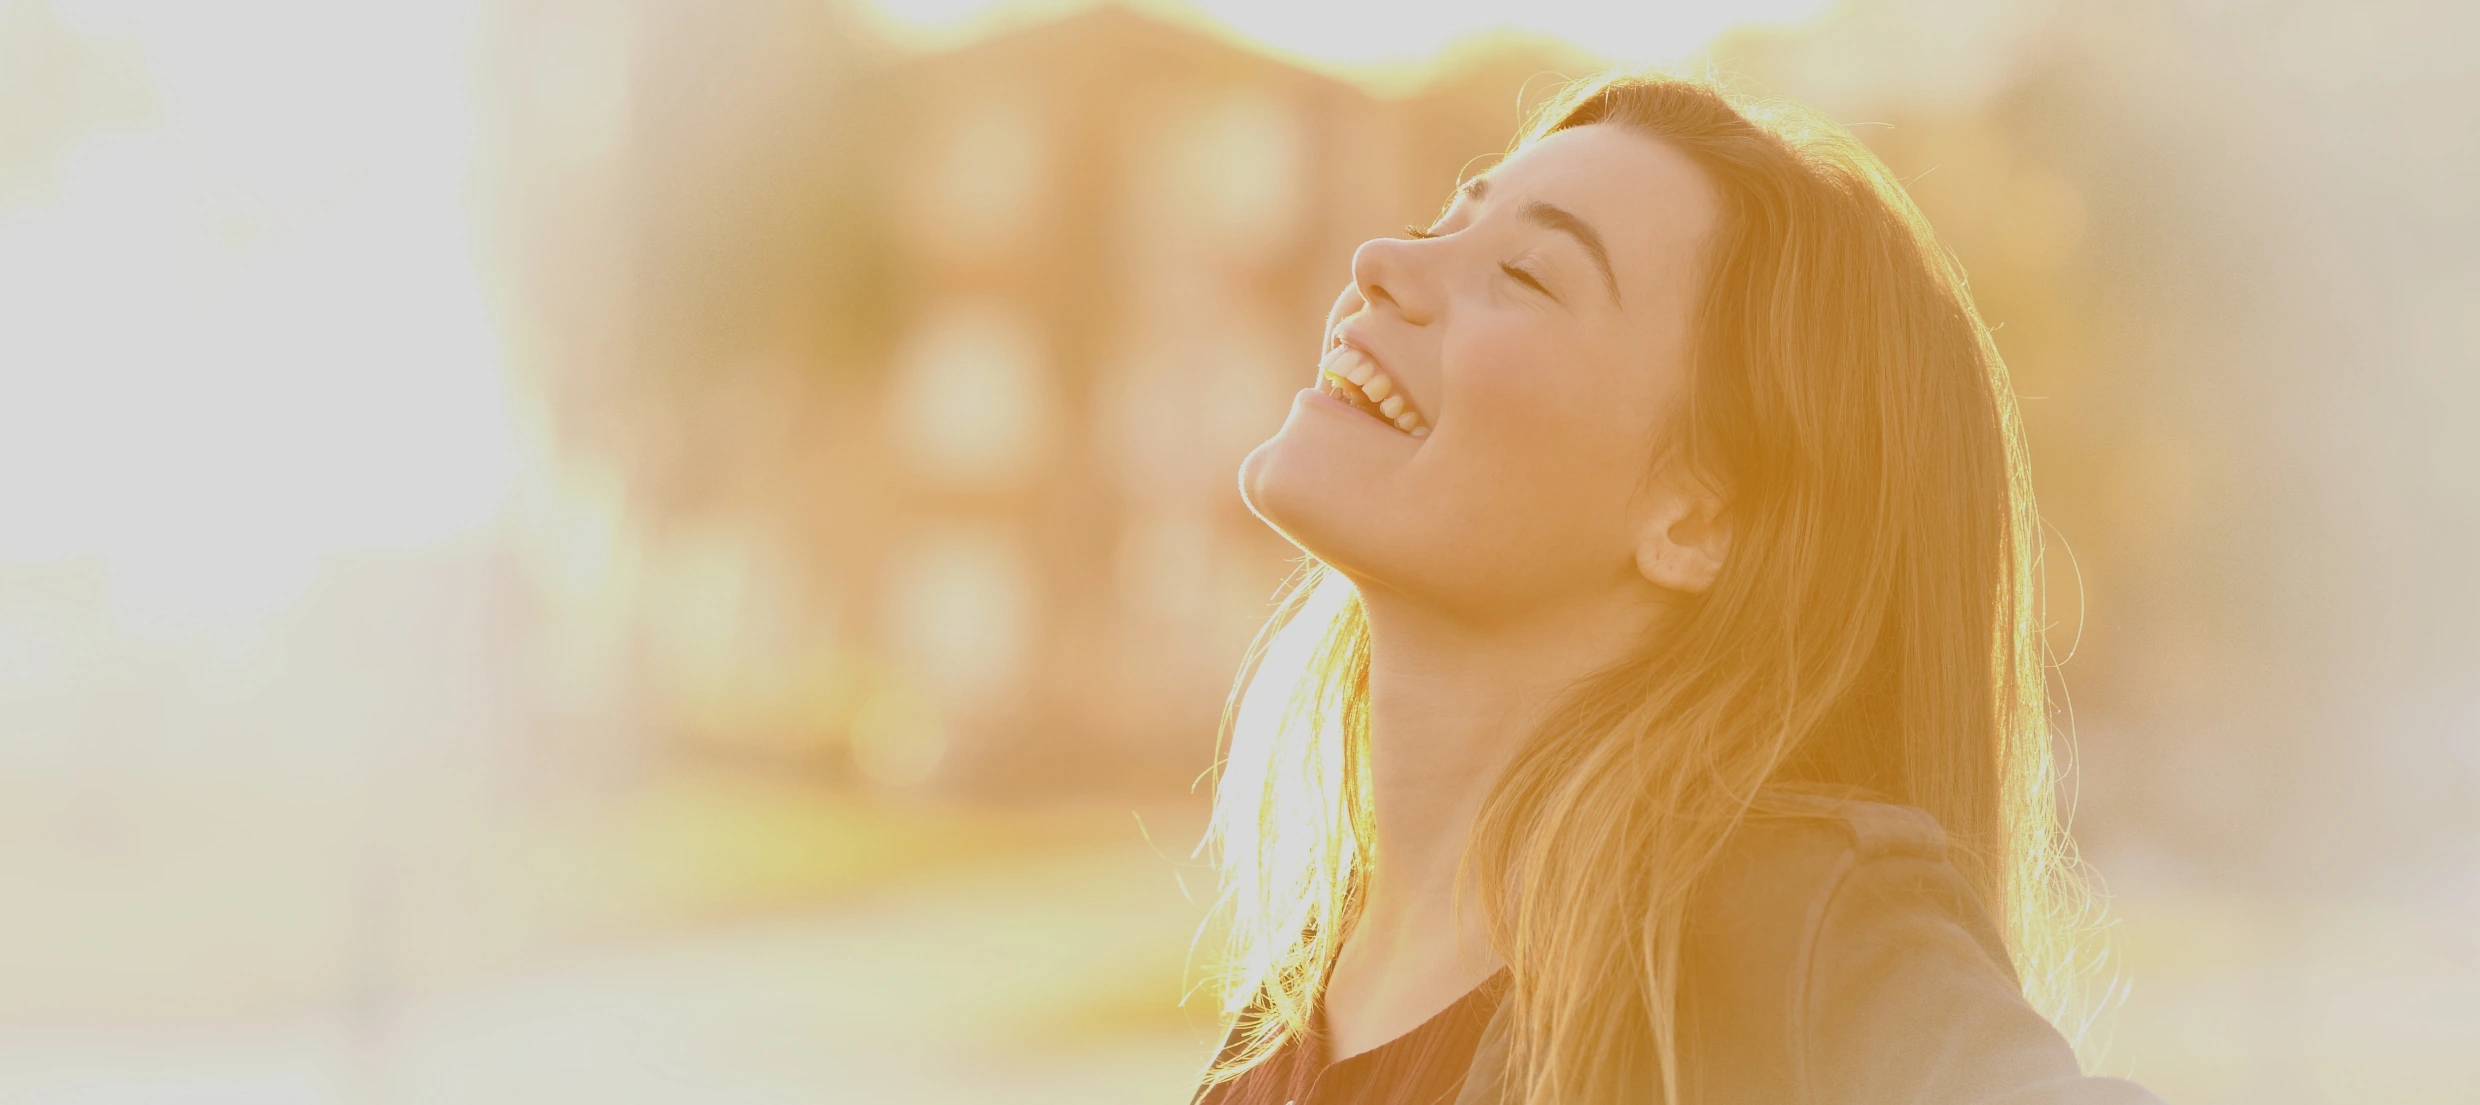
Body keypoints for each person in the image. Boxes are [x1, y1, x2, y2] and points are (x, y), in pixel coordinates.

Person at [1189, 73, 2166, 1105]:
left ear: (1694, 518)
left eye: (1522, 274)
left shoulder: (1787, 925)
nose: (1380, 263)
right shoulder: (1285, 1020)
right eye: (1443, 221)